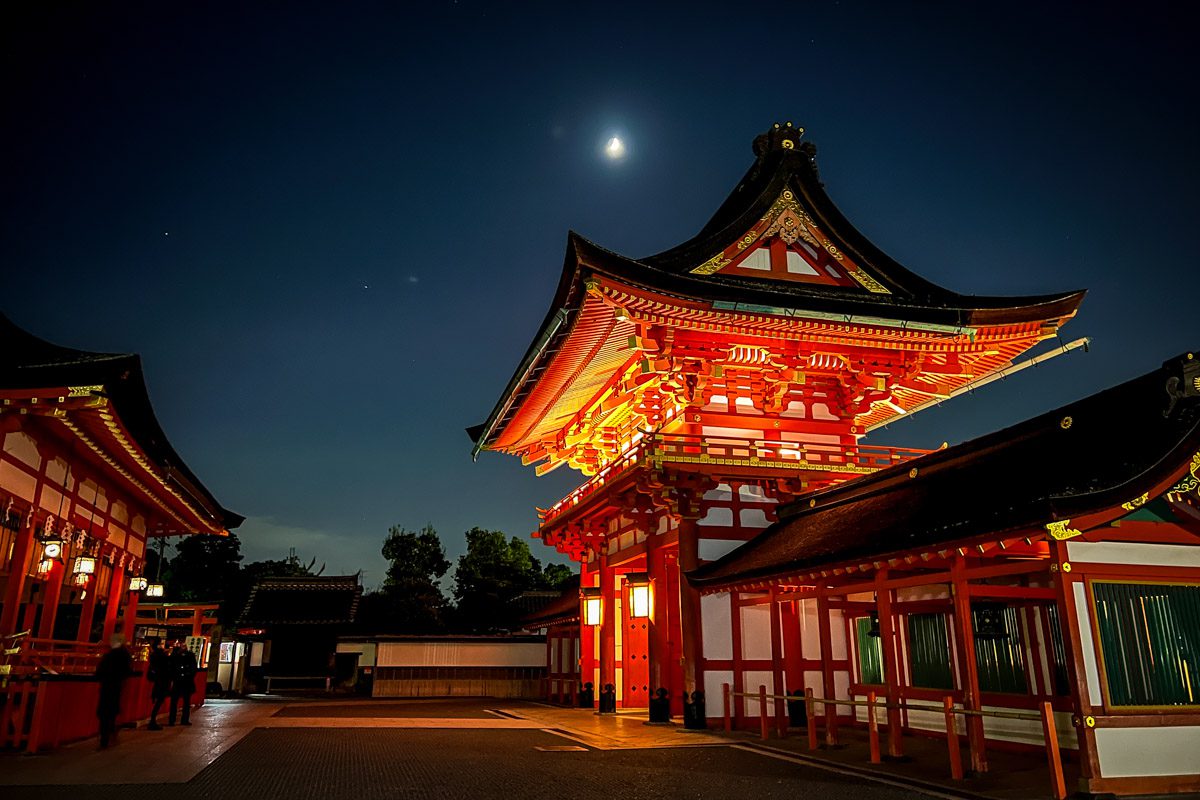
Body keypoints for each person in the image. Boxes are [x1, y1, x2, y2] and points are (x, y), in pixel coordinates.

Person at [94, 633, 132, 748]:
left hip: (107, 686)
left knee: (104, 713)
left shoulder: (109, 656)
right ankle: (110, 734)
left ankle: (104, 738)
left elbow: (99, 672)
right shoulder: (125, 656)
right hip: (117, 686)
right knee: (111, 712)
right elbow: (127, 671)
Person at [168, 644, 198, 726]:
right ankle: (178, 720)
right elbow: (194, 668)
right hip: (183, 681)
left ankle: (175, 720)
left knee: (181, 701)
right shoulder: (178, 656)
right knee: (181, 701)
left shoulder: (175, 656)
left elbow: (193, 668)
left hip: (181, 681)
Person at [146, 638, 171, 730]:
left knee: (157, 700)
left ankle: (153, 720)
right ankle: (152, 720)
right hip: (162, 679)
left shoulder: (153, 655)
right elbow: (167, 666)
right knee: (159, 700)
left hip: (157, 679)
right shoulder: (161, 655)